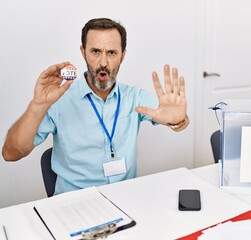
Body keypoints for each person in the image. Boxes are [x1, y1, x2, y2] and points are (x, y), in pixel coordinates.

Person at [2, 18, 189, 195]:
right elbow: (10, 153)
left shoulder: (134, 97)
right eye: (95, 51)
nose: (103, 63)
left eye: (112, 53)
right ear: (83, 52)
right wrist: (37, 105)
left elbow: (174, 118)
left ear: (122, 56)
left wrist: (177, 120)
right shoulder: (59, 99)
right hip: (75, 205)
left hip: (126, 201)